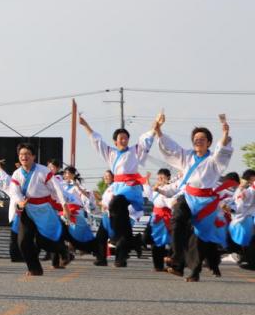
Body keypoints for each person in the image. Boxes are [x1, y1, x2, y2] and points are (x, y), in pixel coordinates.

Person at [155, 113, 233, 281]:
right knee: (177, 218)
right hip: (189, 196)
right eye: (196, 138)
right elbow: (172, 148)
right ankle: (176, 259)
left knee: (198, 237)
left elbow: (222, 152)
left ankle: (194, 272)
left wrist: (225, 136)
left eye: (202, 139)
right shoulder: (187, 156)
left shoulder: (213, 160)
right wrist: (159, 131)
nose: (198, 141)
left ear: (209, 143)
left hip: (206, 203)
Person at [78, 109, 159, 267]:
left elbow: (146, 140)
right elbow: (97, 141)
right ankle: (104, 257)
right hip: (117, 187)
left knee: (117, 202)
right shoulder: (111, 153)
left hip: (130, 187)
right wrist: (85, 125)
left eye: (126, 138)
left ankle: (124, 245)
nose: (123, 140)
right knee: (103, 229)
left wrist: (155, 126)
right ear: (115, 141)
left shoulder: (135, 150)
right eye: (120, 138)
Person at [6, 142, 68, 277]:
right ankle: (35, 268)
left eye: (27, 154)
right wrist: (20, 201)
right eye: (21, 154)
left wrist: (64, 205)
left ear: (34, 156)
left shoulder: (43, 171)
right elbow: (14, 191)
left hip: (43, 210)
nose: (24, 157)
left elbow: (57, 188)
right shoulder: (16, 174)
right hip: (27, 209)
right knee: (22, 241)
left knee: (43, 240)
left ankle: (63, 250)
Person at [59, 165, 108, 265]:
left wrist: (78, 188)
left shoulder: (77, 185)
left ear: (73, 174)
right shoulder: (61, 185)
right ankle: (67, 253)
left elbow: (87, 196)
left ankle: (82, 249)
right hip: (64, 211)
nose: (65, 175)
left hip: (76, 212)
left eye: (67, 173)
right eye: (64, 173)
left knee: (75, 234)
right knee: (62, 232)